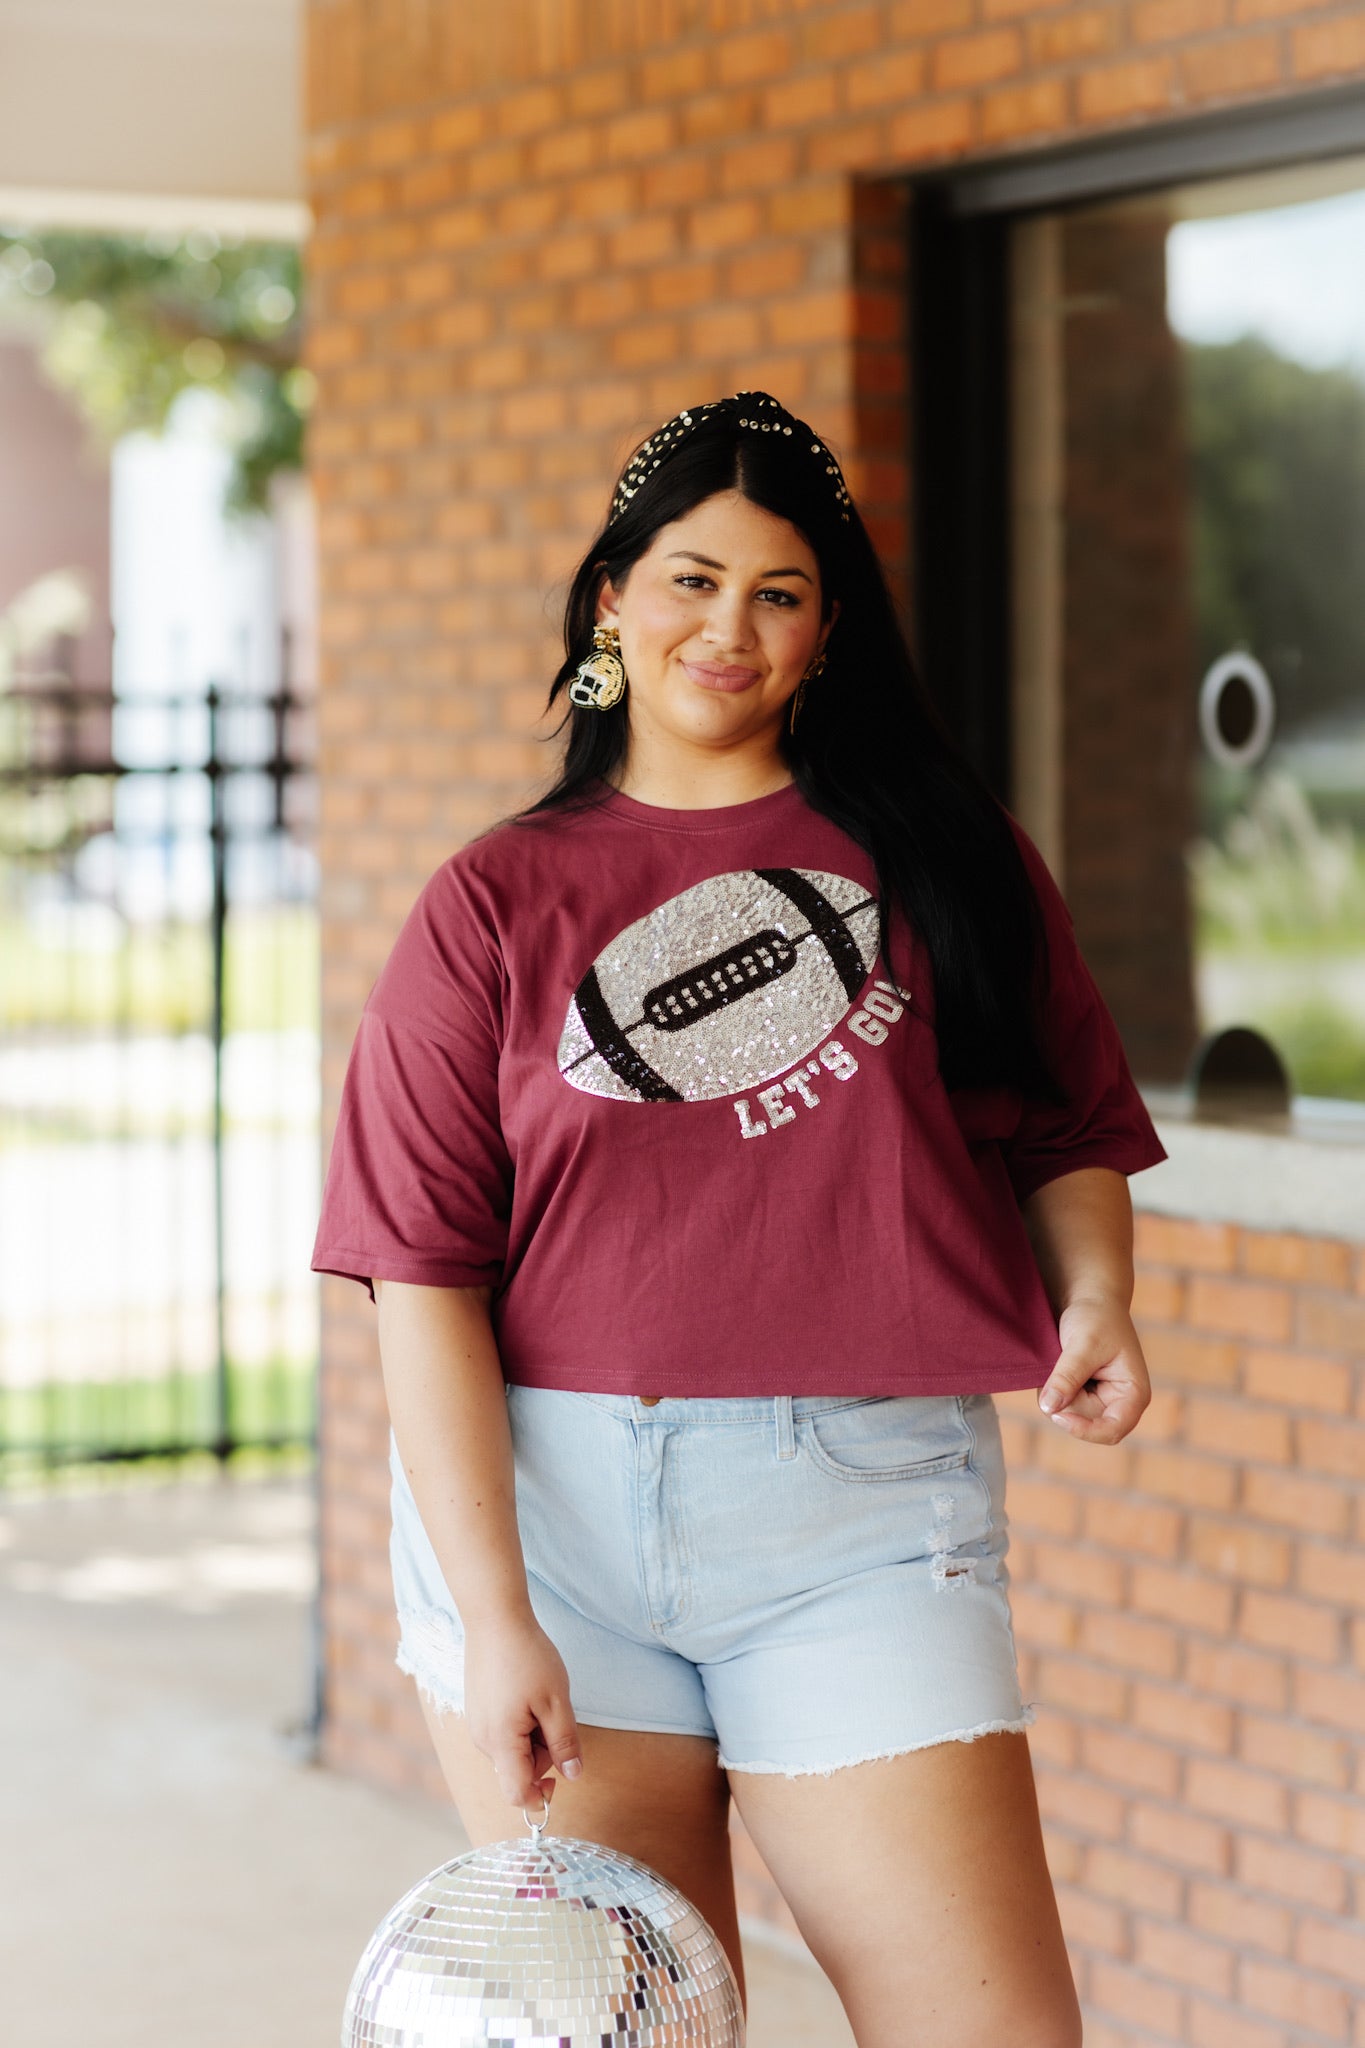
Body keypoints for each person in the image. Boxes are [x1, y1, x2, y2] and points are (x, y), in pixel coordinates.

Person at [311, 389, 1167, 2048]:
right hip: (547, 1526)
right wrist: (495, 1619)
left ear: (826, 631)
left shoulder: (947, 861)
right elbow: (417, 1273)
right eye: (689, 579)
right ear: (609, 603)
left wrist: (1099, 1296)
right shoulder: (490, 900)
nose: (729, 626)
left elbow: (1067, 1123)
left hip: (856, 1516)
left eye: (778, 592)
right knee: (640, 2036)